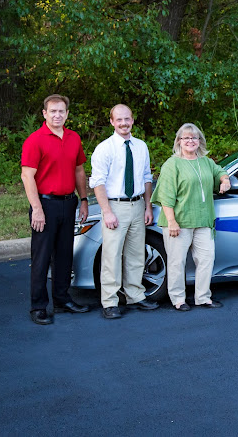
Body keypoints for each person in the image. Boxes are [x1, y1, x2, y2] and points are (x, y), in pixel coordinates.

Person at [21, 94, 90, 325]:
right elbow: (27, 176)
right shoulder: (35, 140)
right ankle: (38, 306)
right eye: (53, 111)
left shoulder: (73, 138)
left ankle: (62, 300)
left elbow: (79, 171)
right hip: (45, 204)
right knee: (41, 258)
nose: (57, 115)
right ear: (44, 113)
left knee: (64, 255)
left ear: (67, 114)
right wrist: (37, 209)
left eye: (61, 111)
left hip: (68, 202)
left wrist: (83, 200)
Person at [89, 104, 159, 319]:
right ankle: (109, 301)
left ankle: (135, 294)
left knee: (136, 254)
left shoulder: (141, 146)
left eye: (127, 119)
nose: (123, 123)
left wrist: (147, 206)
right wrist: (106, 211)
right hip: (115, 206)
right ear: (112, 122)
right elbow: (98, 183)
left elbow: (147, 177)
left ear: (132, 120)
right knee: (111, 255)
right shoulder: (104, 149)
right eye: (119, 120)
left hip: (137, 205)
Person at [151, 124, 231, 311]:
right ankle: (178, 299)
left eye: (194, 138)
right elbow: (166, 195)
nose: (190, 141)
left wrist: (224, 179)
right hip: (179, 222)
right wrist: (171, 221)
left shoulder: (205, 161)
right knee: (176, 262)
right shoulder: (172, 164)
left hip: (203, 221)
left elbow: (219, 170)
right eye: (186, 138)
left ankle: (202, 297)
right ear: (179, 141)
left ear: (200, 141)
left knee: (206, 259)